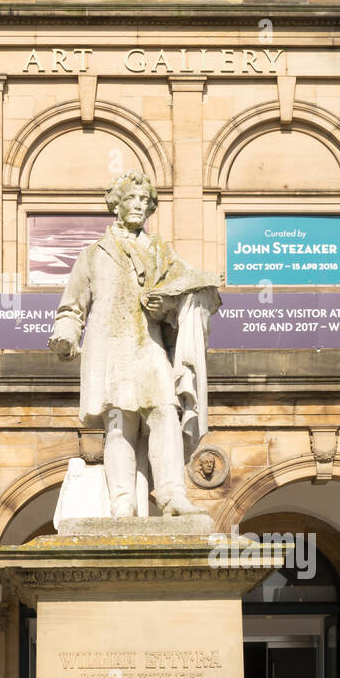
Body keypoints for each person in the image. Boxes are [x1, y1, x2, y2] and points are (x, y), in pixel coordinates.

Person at [49, 170, 221, 518]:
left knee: (164, 412)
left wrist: (168, 306)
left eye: (145, 201)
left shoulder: (160, 251)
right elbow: (72, 306)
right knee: (119, 421)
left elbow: (199, 290)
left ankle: (172, 495)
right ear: (117, 204)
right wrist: (66, 334)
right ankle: (122, 502)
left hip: (149, 346)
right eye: (132, 198)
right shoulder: (94, 254)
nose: (139, 206)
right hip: (111, 349)